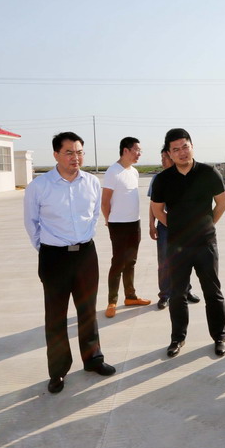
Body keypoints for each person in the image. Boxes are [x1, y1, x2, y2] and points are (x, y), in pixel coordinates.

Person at [24, 132, 116, 395]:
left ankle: (93, 359)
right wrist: (47, 248)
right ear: (56, 154)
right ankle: (58, 370)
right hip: (54, 257)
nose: (75, 157)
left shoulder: (92, 183)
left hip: (86, 254)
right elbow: (31, 223)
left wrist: (82, 240)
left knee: (88, 311)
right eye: (69, 152)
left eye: (79, 152)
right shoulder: (39, 186)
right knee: (56, 316)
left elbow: (94, 214)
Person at [150, 128, 225, 358]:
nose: (182, 152)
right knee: (177, 294)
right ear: (169, 153)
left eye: (185, 146)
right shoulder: (163, 179)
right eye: (176, 149)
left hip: (205, 244)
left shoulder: (209, 173)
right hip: (178, 246)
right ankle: (177, 338)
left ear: (192, 146)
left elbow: (221, 204)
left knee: (212, 292)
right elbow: (157, 210)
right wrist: (177, 228)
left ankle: (219, 336)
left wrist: (206, 225)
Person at [102, 136, 151, 318]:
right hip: (118, 224)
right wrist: (109, 220)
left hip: (134, 223)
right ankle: (112, 301)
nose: (139, 154)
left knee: (131, 261)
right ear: (125, 150)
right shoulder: (113, 172)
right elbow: (105, 202)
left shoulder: (134, 172)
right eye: (137, 150)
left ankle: (130, 296)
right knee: (118, 263)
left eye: (140, 151)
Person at [148, 148, 200, 310]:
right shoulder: (158, 179)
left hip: (185, 227)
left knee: (185, 260)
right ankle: (165, 295)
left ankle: (186, 290)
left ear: (173, 157)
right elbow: (153, 205)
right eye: (161, 157)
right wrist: (151, 224)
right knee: (164, 261)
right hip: (165, 227)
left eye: (165, 157)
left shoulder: (187, 176)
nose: (162, 161)